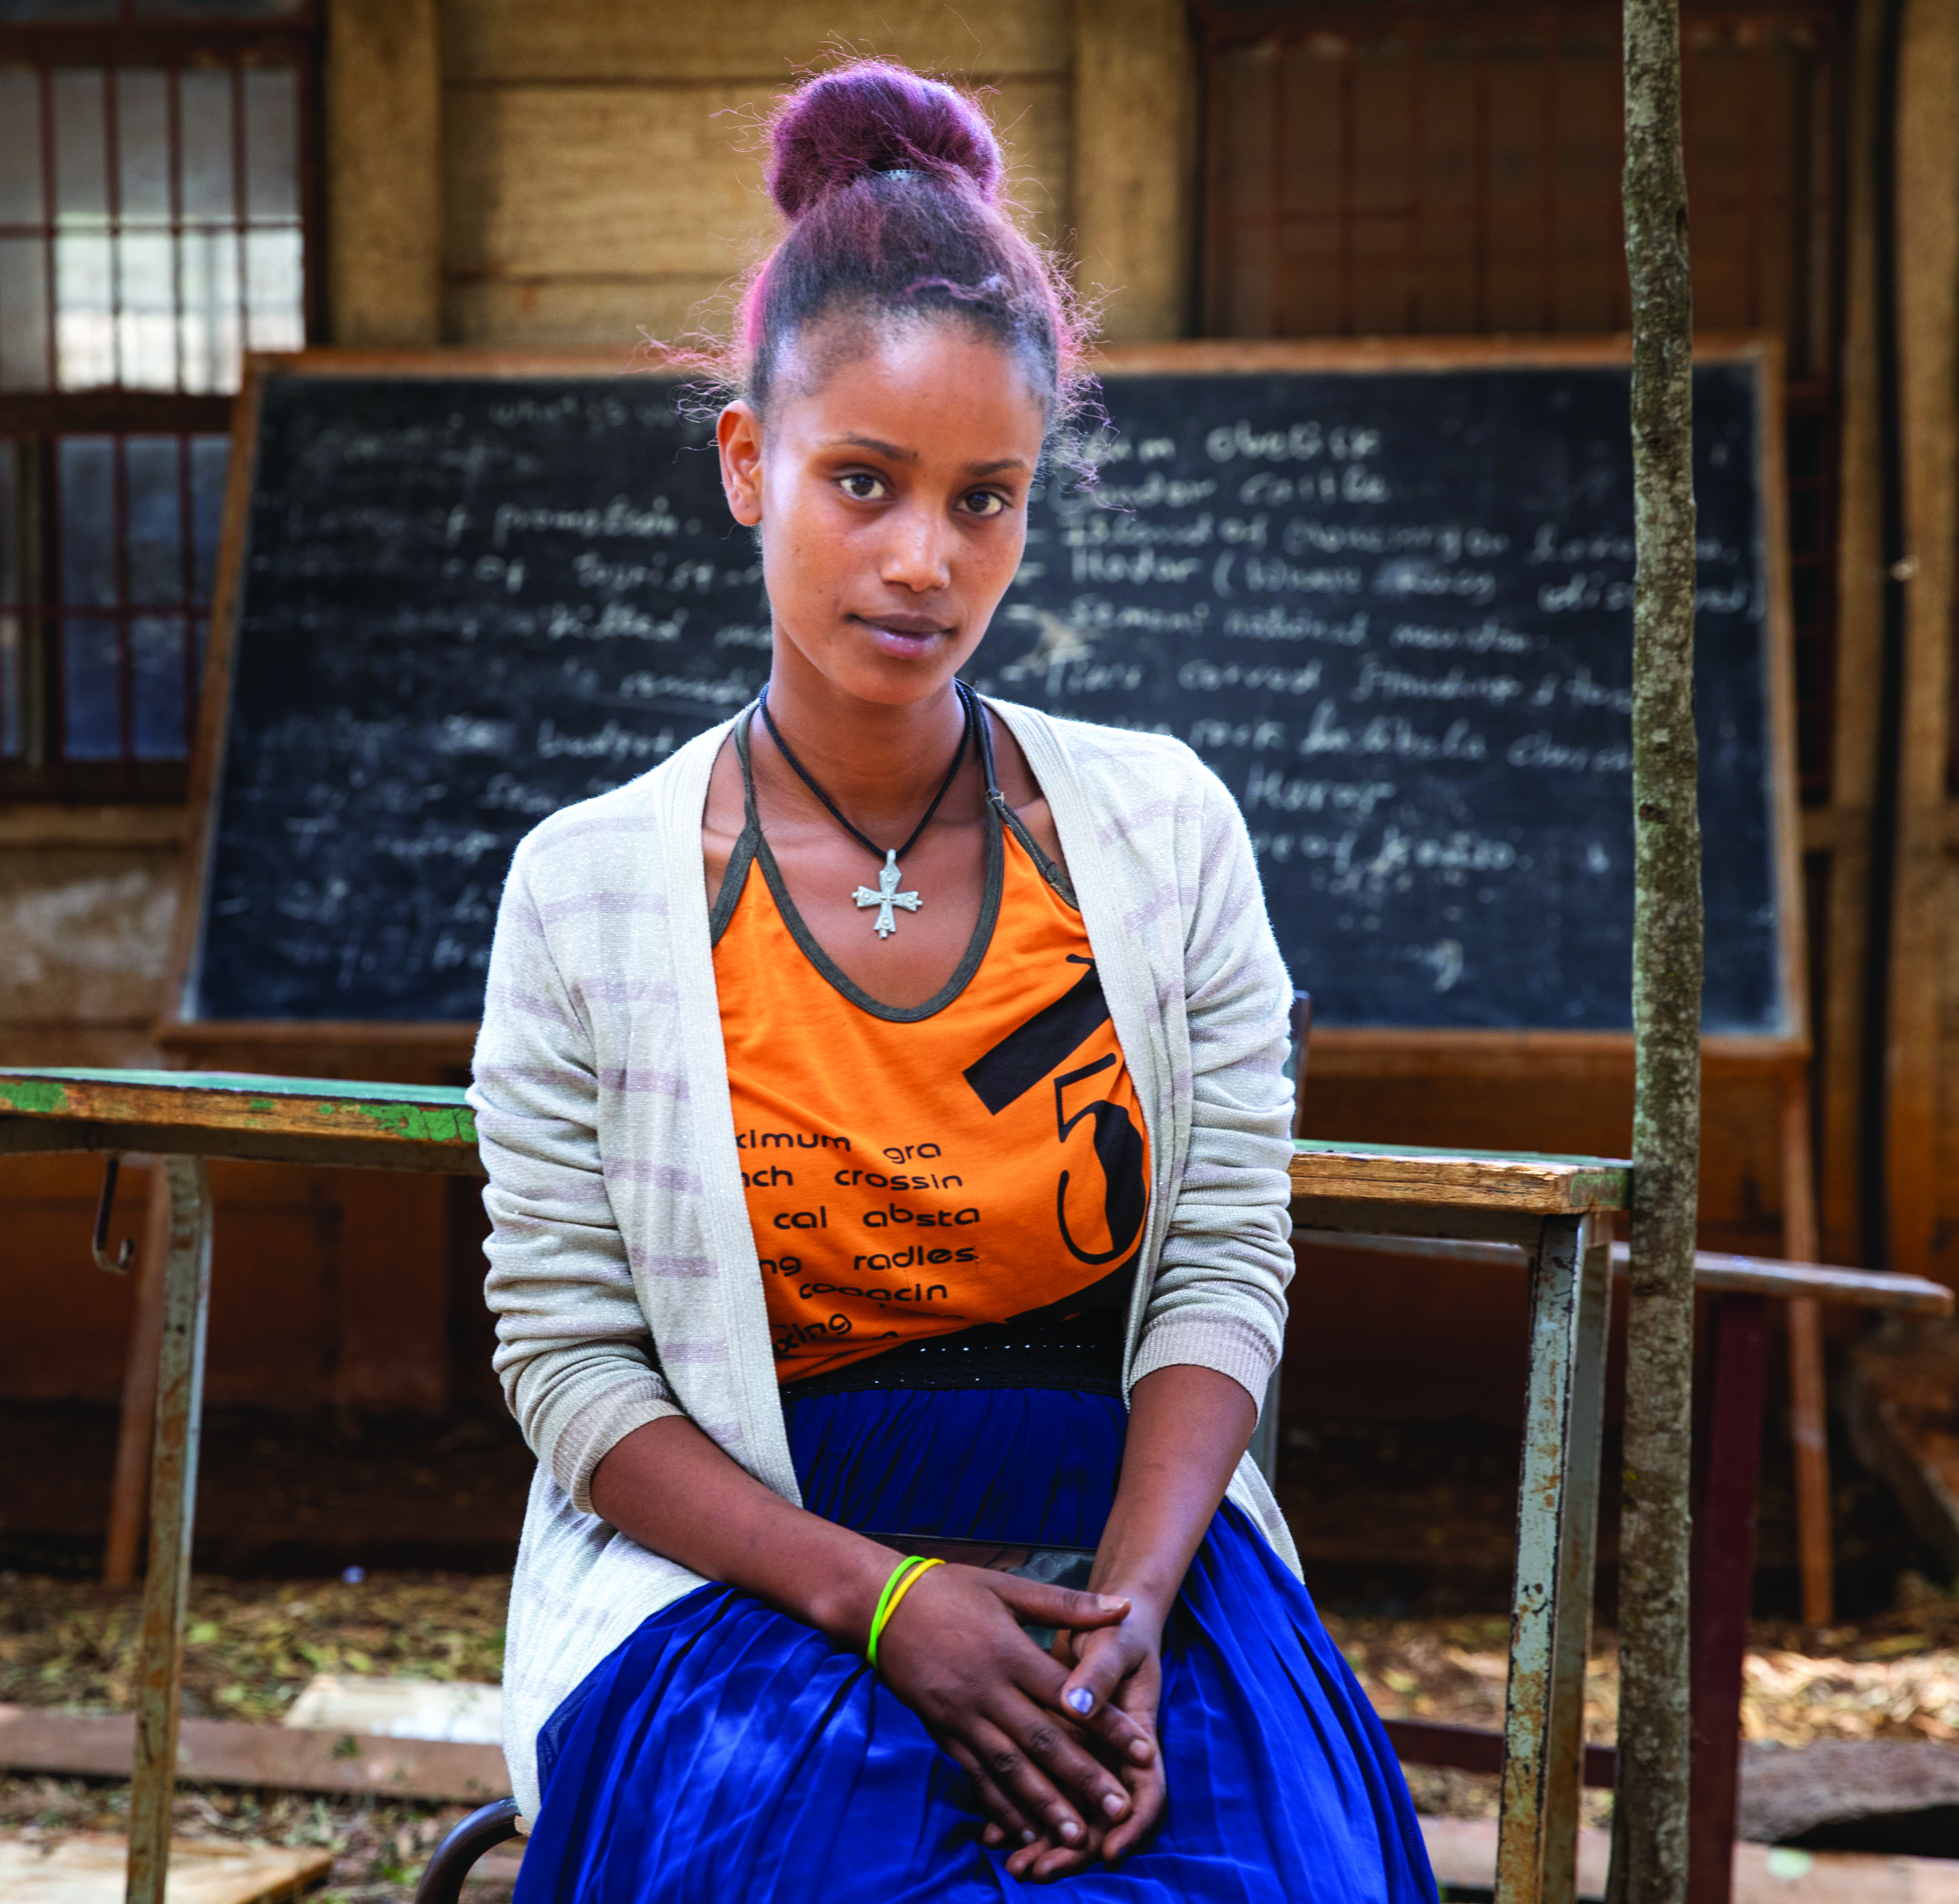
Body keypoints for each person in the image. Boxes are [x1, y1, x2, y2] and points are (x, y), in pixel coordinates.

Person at [471, 58, 1437, 1902]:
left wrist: (1136, 1611)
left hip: (1128, 1543)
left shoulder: (1161, 834)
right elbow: (573, 1364)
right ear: (752, 465)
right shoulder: (588, 889)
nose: (926, 559)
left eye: (986, 500)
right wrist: (884, 1598)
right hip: (754, 1563)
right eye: (865, 481)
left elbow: (1227, 1258)